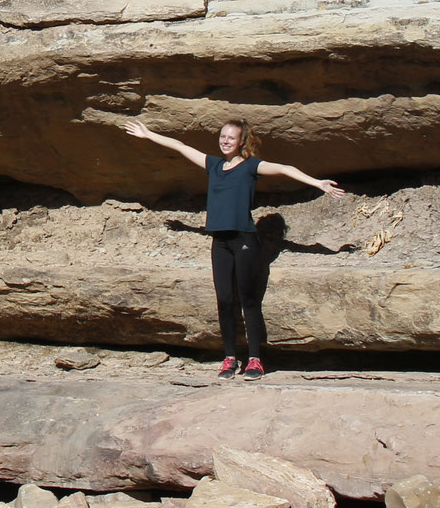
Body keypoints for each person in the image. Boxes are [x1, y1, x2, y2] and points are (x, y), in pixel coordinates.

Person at [120, 117, 345, 379]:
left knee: (248, 300)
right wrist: (148, 134)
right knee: (225, 300)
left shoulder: (251, 167)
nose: (225, 141)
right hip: (220, 242)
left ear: (241, 142)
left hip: (245, 240)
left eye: (231, 138)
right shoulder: (213, 165)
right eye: (222, 136)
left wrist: (317, 183)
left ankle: (255, 360)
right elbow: (180, 146)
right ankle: (229, 358)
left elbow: (284, 168)